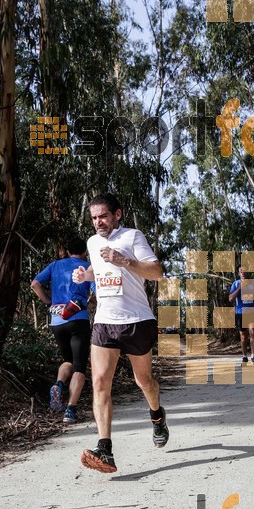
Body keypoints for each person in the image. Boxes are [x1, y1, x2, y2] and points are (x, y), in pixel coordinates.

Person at [72, 192, 166, 473]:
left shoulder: (133, 237)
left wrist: (123, 260)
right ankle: (105, 449)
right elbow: (99, 268)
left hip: (137, 320)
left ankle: (157, 416)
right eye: (94, 218)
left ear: (117, 214)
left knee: (144, 380)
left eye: (103, 216)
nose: (98, 222)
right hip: (104, 322)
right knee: (100, 381)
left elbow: (157, 272)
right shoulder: (91, 242)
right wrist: (85, 275)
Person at [31, 236, 93, 423]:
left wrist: (49, 302)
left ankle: (58, 384)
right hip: (78, 319)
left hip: (57, 321)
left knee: (67, 360)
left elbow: (35, 284)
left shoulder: (55, 265)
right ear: (84, 252)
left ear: (67, 251)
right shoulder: (88, 268)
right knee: (79, 367)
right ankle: (70, 410)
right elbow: (97, 294)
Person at [229, 266, 254, 363]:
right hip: (241, 312)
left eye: (244, 271)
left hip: (253, 311)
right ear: (239, 273)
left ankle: (253, 356)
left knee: (252, 332)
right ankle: (244, 356)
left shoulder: (253, 283)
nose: (243, 273)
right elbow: (231, 298)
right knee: (243, 335)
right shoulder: (236, 283)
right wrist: (239, 288)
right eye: (241, 271)